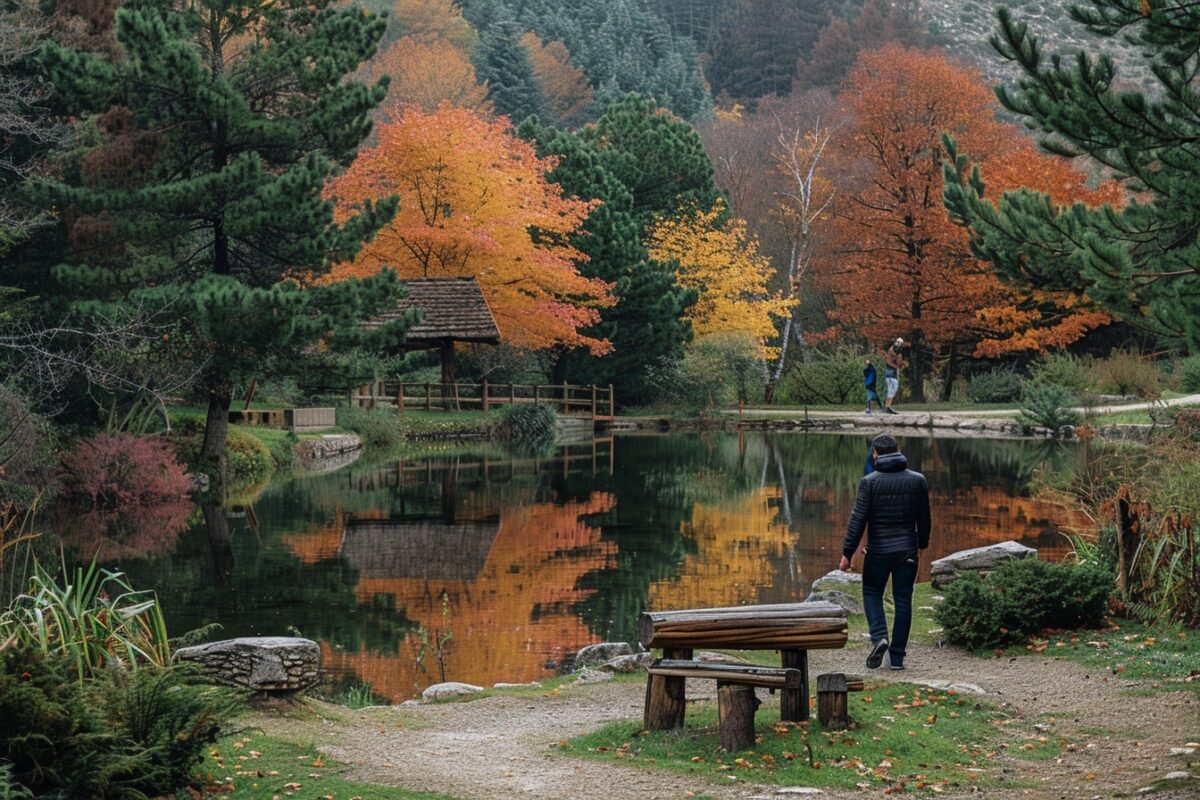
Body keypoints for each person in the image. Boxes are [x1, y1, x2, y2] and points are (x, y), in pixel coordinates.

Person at [839, 433, 931, 671]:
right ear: (897, 450)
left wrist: (848, 553)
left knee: (871, 593)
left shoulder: (870, 481)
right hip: (906, 551)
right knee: (903, 599)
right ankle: (897, 658)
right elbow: (924, 517)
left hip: (878, 551)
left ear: (875, 454)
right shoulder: (918, 480)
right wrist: (922, 544)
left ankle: (879, 637)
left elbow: (857, 520)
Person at [883, 338, 904, 414]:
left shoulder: (893, 349)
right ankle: (887, 406)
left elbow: (897, 361)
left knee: (891, 389)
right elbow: (889, 361)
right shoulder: (892, 349)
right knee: (892, 388)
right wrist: (896, 366)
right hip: (891, 372)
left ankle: (887, 406)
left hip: (890, 372)